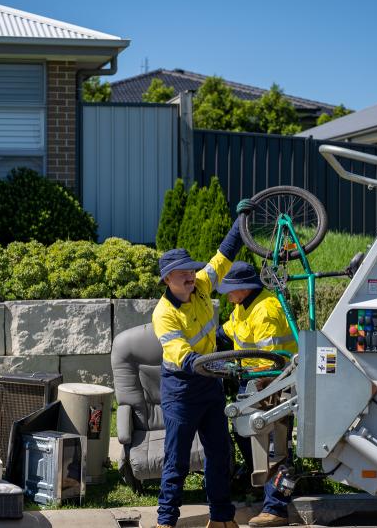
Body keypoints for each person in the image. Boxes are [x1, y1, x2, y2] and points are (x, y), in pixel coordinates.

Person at [151, 202, 251, 528]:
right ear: (168, 279)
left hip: (210, 386)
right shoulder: (163, 314)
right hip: (181, 389)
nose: (190, 276)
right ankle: (166, 521)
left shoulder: (202, 285)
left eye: (191, 270)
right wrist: (219, 367)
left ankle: (222, 519)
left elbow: (224, 255)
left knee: (221, 456)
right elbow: (184, 356)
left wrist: (242, 219)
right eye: (183, 273)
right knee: (177, 461)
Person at [215, 261, 297, 528]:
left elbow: (271, 361)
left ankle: (276, 508)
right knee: (244, 433)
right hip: (251, 383)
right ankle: (262, 484)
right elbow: (228, 333)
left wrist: (256, 388)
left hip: (273, 385)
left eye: (230, 289)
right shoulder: (243, 307)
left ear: (244, 288)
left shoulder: (265, 310)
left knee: (273, 444)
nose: (226, 293)